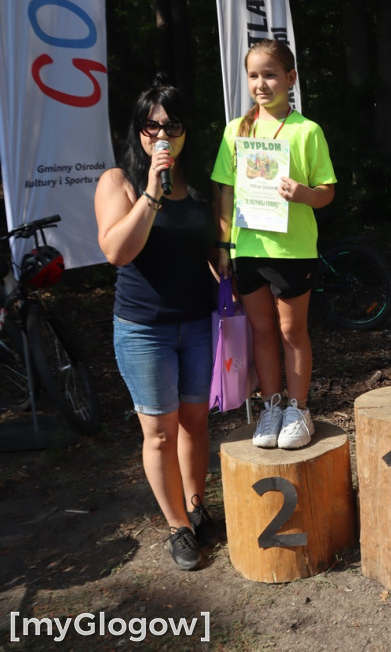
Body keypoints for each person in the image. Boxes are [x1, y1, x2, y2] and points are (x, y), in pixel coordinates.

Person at [94, 76, 217, 570]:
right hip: (145, 329)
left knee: (195, 424)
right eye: (151, 125)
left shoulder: (201, 183)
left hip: (199, 322)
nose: (161, 134)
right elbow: (116, 251)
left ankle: (196, 505)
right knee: (160, 433)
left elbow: (210, 250)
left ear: (187, 131)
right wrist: (150, 192)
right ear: (138, 129)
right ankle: (177, 528)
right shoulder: (117, 182)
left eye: (172, 124)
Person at [211, 40, 336, 451]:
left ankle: (299, 409)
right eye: (253, 76)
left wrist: (305, 194)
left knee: (290, 331)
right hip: (248, 249)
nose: (261, 84)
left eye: (270, 74)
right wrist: (225, 246)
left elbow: (327, 192)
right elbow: (225, 192)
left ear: (290, 78)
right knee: (262, 331)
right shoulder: (236, 130)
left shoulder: (308, 131)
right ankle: (272, 405)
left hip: (293, 249)